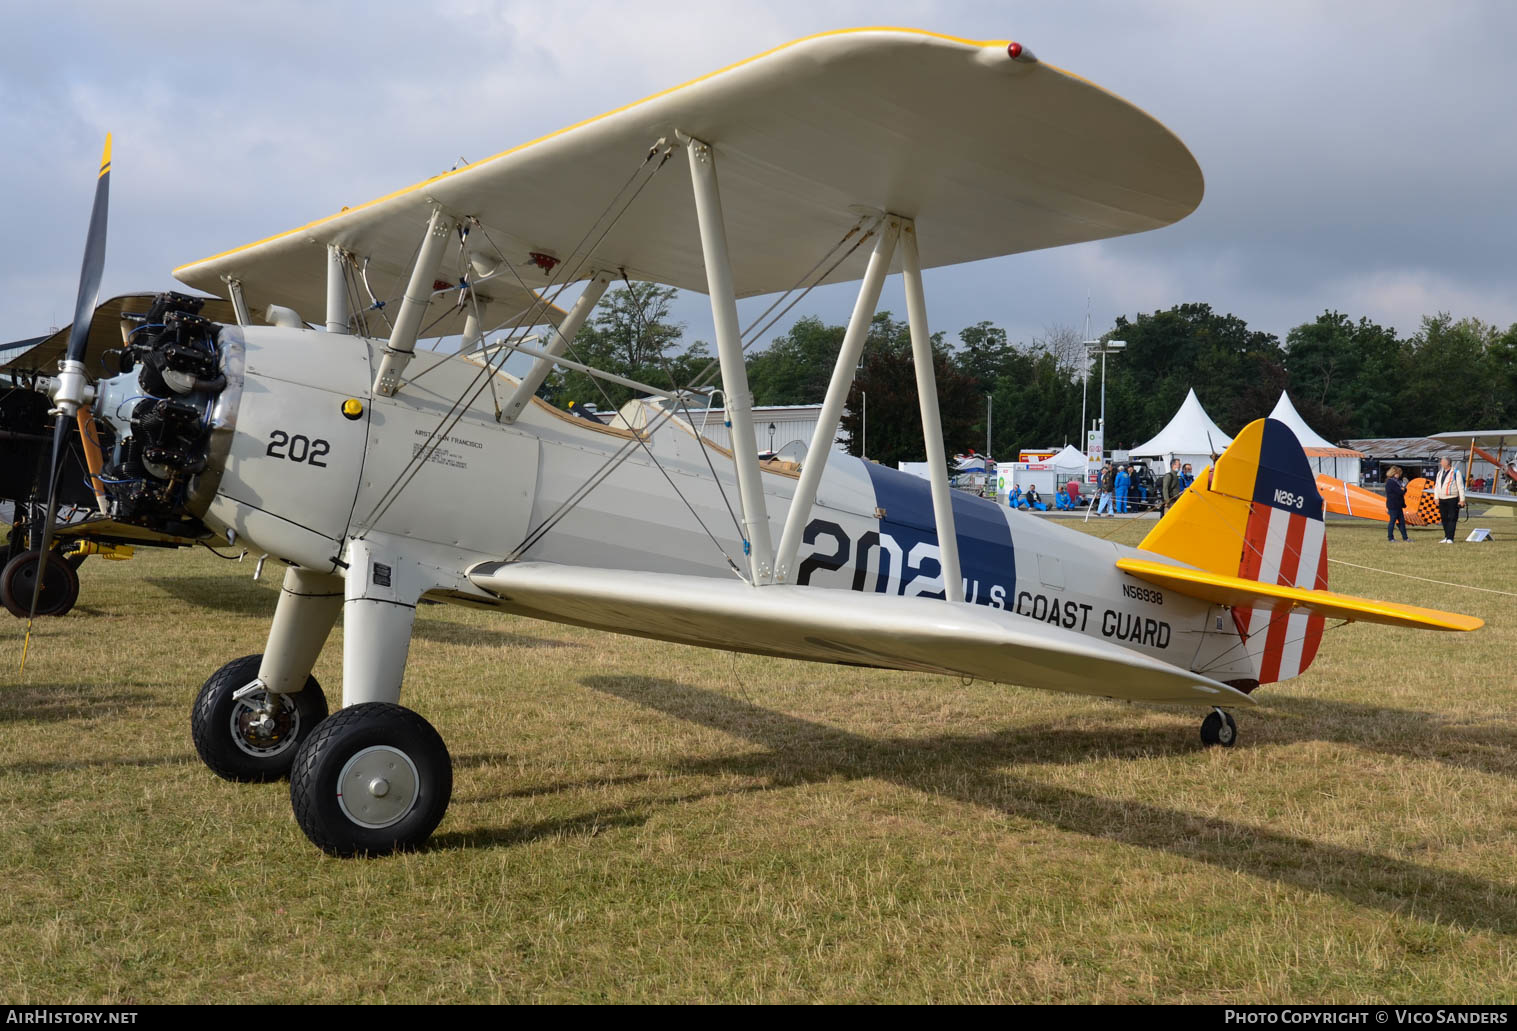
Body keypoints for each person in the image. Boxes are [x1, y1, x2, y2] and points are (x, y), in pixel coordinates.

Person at [1433, 457, 1465, 543]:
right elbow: (1436, 486)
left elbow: (1461, 487)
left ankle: (1450, 538)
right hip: (1441, 499)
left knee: (1452, 518)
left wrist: (1462, 500)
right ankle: (1446, 536)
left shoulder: (1456, 472)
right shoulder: (1439, 473)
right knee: (1444, 518)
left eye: (1442, 462)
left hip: (1452, 498)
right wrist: (1436, 497)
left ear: (1448, 463)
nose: (1441, 463)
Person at [1383, 465, 1409, 542]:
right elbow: (1400, 492)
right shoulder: (1391, 482)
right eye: (1398, 473)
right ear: (1394, 473)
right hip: (1393, 505)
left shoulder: (1394, 482)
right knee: (1393, 521)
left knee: (1401, 522)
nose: (1399, 475)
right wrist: (1405, 489)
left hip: (1397, 505)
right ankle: (1390, 538)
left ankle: (1405, 537)